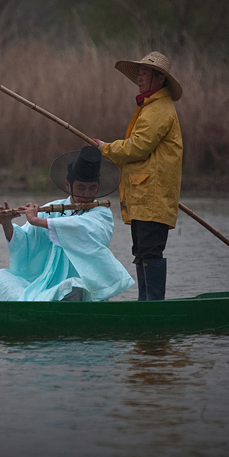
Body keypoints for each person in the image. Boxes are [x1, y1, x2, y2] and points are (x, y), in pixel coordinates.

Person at [0, 145, 134, 302]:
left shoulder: (101, 213)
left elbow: (81, 227)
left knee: (73, 287)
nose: (86, 194)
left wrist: (37, 220)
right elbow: (26, 242)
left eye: (92, 189)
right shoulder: (53, 208)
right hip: (44, 282)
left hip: (82, 283)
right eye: (81, 188)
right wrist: (6, 224)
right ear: (68, 185)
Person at [92, 51, 183, 301]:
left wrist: (104, 147)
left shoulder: (159, 109)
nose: (140, 78)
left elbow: (137, 147)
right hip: (145, 196)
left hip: (152, 196)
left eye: (145, 73)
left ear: (160, 78)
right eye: (139, 73)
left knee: (150, 251)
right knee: (142, 251)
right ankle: (146, 304)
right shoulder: (150, 106)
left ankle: (152, 306)